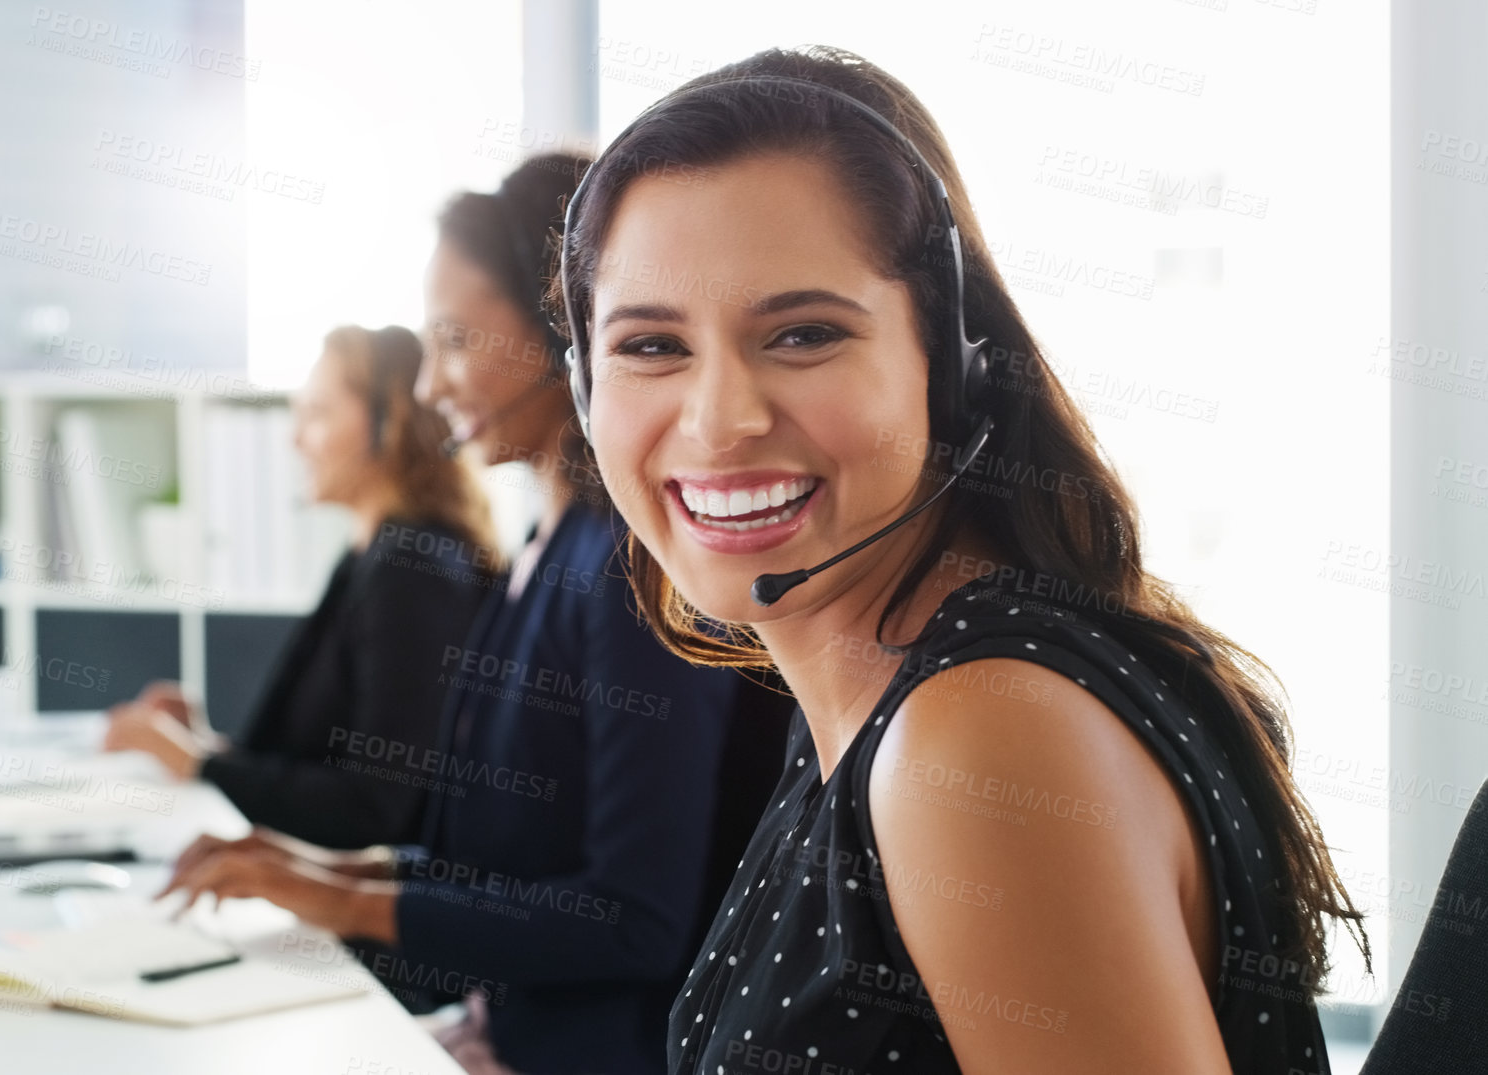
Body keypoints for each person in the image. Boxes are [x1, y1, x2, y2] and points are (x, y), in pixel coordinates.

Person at [558, 46, 1370, 1075]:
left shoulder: (972, 744)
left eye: (802, 334)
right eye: (649, 347)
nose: (720, 420)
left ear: (950, 366)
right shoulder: (878, 695)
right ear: (587, 388)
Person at [160, 156, 796, 1075]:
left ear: (565, 327)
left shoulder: (627, 569)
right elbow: (505, 863)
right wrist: (325, 870)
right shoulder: (544, 548)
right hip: (502, 1031)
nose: (427, 386)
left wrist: (341, 899)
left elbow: (633, 920)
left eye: (454, 338)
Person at [103, 325, 499, 849]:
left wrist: (195, 761)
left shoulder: (412, 572)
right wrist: (207, 746)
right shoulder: (369, 555)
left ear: (390, 423)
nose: (294, 440)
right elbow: (317, 763)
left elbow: (376, 809)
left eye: (317, 414)